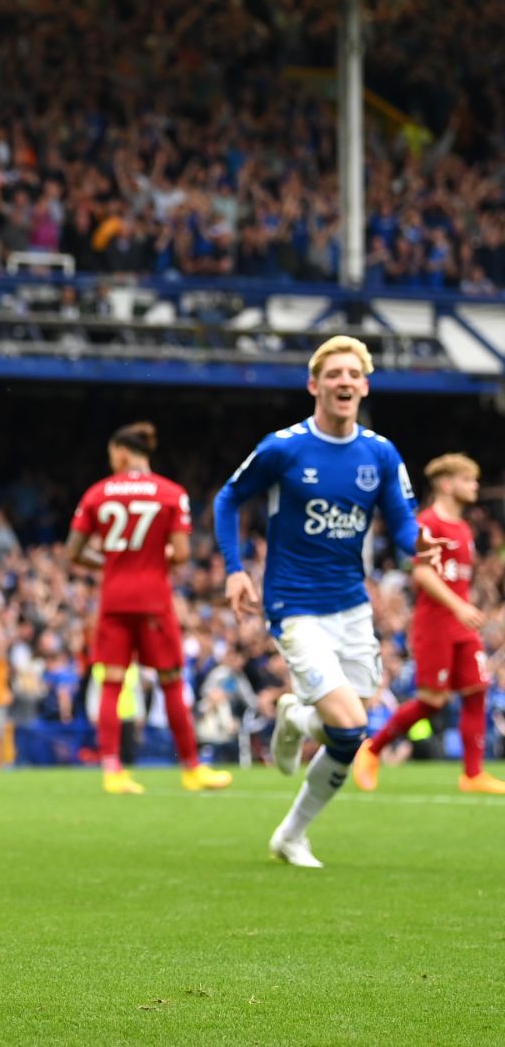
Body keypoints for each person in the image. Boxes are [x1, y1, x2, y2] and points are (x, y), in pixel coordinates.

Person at [213, 336, 443, 868]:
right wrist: (232, 570)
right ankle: (293, 832)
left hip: (352, 606)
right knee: (348, 725)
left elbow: (402, 519)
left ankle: (292, 796)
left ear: (364, 386)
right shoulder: (284, 447)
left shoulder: (380, 453)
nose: (344, 382)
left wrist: (417, 542)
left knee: (348, 732)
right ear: (314, 385)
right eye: (334, 374)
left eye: (353, 374)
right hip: (294, 605)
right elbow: (228, 498)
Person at [65, 422, 232, 794]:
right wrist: (153, 559)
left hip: (114, 598)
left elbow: (73, 551)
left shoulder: (98, 493)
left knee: (111, 682)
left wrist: (110, 562)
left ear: (122, 452)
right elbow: (184, 553)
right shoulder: (170, 493)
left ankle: (112, 770)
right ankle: (191, 768)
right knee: (171, 680)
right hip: (154, 598)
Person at [355, 453, 505, 793]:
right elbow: (421, 572)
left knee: (477, 689)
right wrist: (459, 606)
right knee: (432, 701)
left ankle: (473, 775)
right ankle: (373, 749)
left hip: (461, 625)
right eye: (469, 480)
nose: (475, 486)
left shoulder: (464, 529)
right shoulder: (428, 523)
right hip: (435, 623)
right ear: (448, 484)